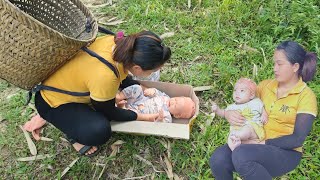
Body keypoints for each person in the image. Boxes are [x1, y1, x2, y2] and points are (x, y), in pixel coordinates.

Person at [33, 30, 172, 157]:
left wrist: (141, 88)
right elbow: (109, 111)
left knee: (131, 84)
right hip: (52, 103)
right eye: (152, 71)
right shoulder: (106, 77)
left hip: (64, 82)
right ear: (137, 67)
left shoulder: (117, 42)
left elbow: (122, 78)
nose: (153, 74)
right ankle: (72, 133)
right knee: (99, 131)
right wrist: (143, 117)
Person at [209, 41, 318, 179]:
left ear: (295, 66)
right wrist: (228, 114)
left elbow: (297, 139)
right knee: (218, 159)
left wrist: (263, 143)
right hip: (254, 143)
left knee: (242, 154)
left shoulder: (306, 96)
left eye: (279, 64)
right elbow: (243, 103)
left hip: (285, 152)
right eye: (274, 64)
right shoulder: (265, 86)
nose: (274, 68)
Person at [211, 78, 267, 151]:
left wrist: (264, 115)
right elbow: (224, 113)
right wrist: (217, 110)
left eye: (242, 91)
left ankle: (238, 138)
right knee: (231, 135)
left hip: (254, 129)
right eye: (235, 90)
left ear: (251, 95)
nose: (237, 93)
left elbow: (262, 109)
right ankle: (234, 148)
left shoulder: (256, 102)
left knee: (246, 129)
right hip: (237, 130)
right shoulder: (232, 107)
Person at [116, 84, 196, 123]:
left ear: (177, 115)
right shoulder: (166, 97)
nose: (172, 101)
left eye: (175, 105)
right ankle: (120, 96)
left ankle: (122, 108)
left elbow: (159, 125)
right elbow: (157, 93)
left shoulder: (167, 116)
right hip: (140, 100)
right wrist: (152, 91)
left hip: (139, 113)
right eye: (175, 99)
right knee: (137, 88)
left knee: (133, 115)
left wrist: (160, 119)